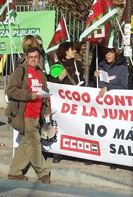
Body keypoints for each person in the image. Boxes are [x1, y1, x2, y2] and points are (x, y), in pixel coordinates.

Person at [6, 46, 51, 184]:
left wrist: (46, 110)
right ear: (26, 57)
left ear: (39, 58)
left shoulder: (41, 74)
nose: (33, 60)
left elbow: (44, 94)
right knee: (34, 143)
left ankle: (14, 172)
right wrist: (28, 95)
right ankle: (43, 173)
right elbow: (10, 90)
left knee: (27, 143)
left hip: (36, 114)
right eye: (30, 57)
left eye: (35, 57)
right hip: (24, 114)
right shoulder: (21, 71)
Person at [49, 42, 84, 163]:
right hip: (62, 103)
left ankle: (75, 152)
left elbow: (84, 80)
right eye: (72, 49)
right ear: (65, 52)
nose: (74, 51)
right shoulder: (57, 66)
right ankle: (57, 152)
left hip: (76, 102)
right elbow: (51, 83)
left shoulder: (78, 64)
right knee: (60, 126)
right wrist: (60, 78)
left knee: (75, 125)